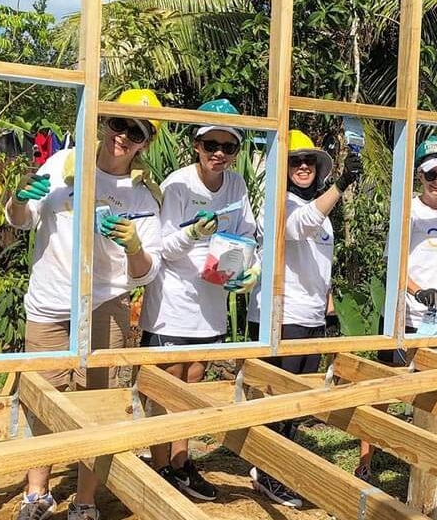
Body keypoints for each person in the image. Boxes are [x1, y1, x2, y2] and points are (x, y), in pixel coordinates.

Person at [5, 89, 164, 520]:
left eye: (136, 132)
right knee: (42, 399)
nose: (123, 136)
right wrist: (19, 199)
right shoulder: (63, 165)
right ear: (103, 122)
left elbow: (146, 272)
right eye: (118, 124)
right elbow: (21, 221)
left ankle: (85, 501)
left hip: (105, 306)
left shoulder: (143, 196)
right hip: (50, 304)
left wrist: (134, 246)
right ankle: (37, 494)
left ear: (145, 142)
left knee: (97, 404)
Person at [138, 99, 258, 501]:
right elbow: (162, 247)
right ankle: (160, 467)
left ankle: (180, 462)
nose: (218, 153)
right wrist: (192, 233)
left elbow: (247, 234)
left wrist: (247, 269)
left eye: (228, 146)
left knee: (192, 382)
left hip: (211, 302)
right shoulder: (178, 184)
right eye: (211, 145)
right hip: (172, 304)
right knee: (165, 384)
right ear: (197, 145)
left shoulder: (237, 185)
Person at [245, 129, 362, 507]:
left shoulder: (321, 213)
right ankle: (267, 469)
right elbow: (298, 227)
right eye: (295, 161)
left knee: (296, 401)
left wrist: (329, 310)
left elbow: (320, 267)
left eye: (309, 160)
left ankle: (275, 466)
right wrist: (341, 185)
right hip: (281, 315)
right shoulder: (278, 204)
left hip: (310, 317)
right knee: (276, 398)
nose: (303, 166)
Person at [354, 135, 437, 485]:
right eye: (431, 174)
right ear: (420, 175)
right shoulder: (408, 213)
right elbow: (396, 267)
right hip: (407, 317)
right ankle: (365, 462)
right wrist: (418, 292)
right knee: (386, 389)